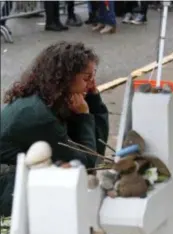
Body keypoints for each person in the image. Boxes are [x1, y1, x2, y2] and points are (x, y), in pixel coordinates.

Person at [0, 42, 109, 218]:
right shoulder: (39, 116)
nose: (91, 84)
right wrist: (84, 116)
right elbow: (86, 166)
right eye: (87, 78)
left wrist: (94, 98)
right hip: (8, 188)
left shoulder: (51, 99)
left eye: (93, 77)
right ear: (65, 78)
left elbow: (97, 150)